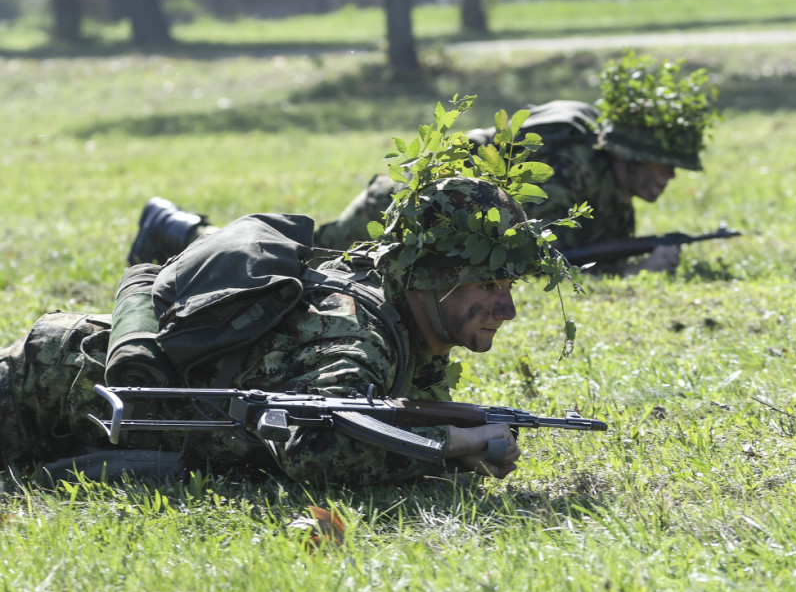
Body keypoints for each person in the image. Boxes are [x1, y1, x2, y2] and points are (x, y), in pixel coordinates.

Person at [0, 175, 573, 486]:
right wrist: (458, 443)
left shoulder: (401, 325)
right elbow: (321, 449)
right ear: (431, 280)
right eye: (487, 286)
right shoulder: (353, 333)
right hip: (44, 388)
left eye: (509, 285)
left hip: (77, 402)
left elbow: (384, 419)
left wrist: (450, 451)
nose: (507, 307)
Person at [127, 52, 718, 276]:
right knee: (294, 261)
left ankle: (182, 232)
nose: (665, 180)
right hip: (405, 211)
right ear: (629, 158)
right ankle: (176, 230)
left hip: (436, 222)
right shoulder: (568, 175)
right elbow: (538, 259)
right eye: (660, 168)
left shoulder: (607, 182)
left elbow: (593, 244)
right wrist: (636, 269)